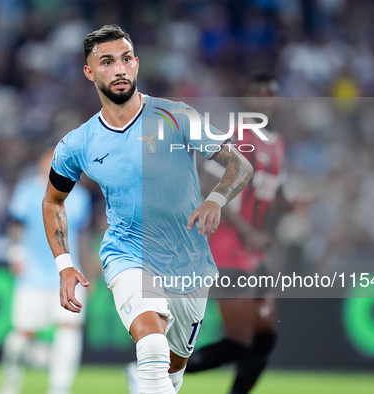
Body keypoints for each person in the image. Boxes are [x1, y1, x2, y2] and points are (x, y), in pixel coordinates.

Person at [41, 24, 253, 394]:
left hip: (189, 262)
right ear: (90, 73)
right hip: (128, 254)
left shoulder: (176, 116)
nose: (119, 69)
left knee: (169, 374)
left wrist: (214, 200)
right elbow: (53, 200)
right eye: (107, 62)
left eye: (125, 59)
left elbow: (240, 165)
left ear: (136, 64)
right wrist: (64, 264)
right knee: (151, 344)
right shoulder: (78, 143)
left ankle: (143, 382)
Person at [185, 72, 312, 393]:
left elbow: (273, 196)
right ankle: (152, 373)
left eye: (270, 93)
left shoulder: (278, 144)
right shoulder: (239, 136)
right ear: (247, 100)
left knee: (264, 338)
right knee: (241, 341)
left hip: (254, 251)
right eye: (257, 94)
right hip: (227, 246)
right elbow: (207, 182)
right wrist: (246, 230)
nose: (264, 99)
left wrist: (293, 203)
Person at [0, 148, 92, 394]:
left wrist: (89, 271)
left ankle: (59, 389)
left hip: (70, 275)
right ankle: (11, 384)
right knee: (22, 334)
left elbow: (82, 238)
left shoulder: (80, 197)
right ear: (42, 164)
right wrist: (15, 252)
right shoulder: (27, 191)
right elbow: (16, 224)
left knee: (69, 331)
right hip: (34, 274)